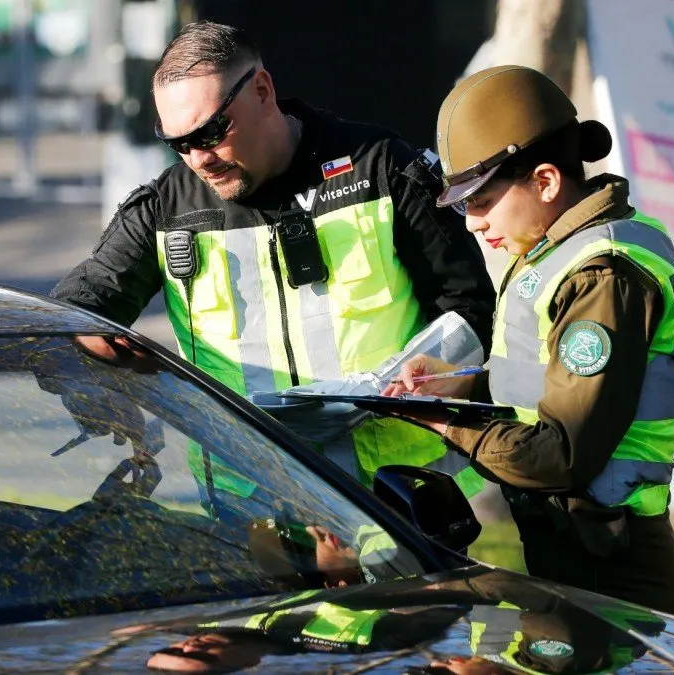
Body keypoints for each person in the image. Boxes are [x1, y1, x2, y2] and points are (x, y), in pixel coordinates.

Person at [52, 21, 496, 499]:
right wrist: (95, 380)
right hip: (249, 504)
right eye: (177, 143)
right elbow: (68, 315)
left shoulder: (379, 168)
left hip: (399, 497)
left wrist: (437, 364)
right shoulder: (165, 210)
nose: (198, 158)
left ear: (262, 90)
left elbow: (473, 308)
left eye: (211, 131)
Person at [381, 65, 674, 615]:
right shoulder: (554, 248)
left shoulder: (603, 275)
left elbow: (562, 455)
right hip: (577, 546)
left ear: (546, 181)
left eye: (479, 201)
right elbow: (548, 382)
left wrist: (448, 421)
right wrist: (462, 386)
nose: (472, 223)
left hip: (610, 564)